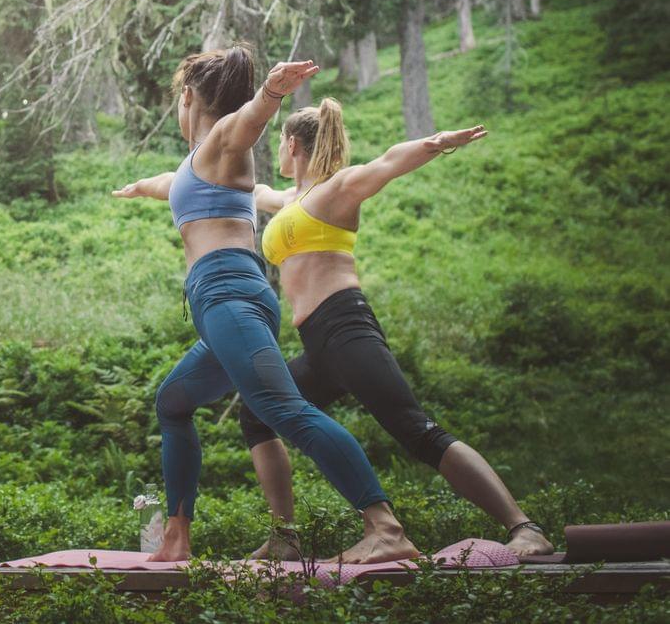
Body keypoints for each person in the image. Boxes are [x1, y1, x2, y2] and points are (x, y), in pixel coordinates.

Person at [113, 47, 418, 564]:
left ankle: (384, 526)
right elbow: (169, 184)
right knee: (174, 403)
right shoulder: (199, 165)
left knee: (284, 411)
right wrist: (139, 187)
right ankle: (176, 536)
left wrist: (272, 92)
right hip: (225, 302)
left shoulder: (224, 140)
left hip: (229, 294)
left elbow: (249, 122)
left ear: (187, 97)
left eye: (179, 100)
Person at [240, 98, 554, 559]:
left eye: (281, 147)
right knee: (257, 413)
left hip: (346, 328)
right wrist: (179, 182)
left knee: (417, 431)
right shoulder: (290, 200)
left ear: (291, 145)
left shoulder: (337, 188)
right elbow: (249, 190)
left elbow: (389, 162)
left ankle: (525, 528)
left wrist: (438, 142)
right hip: (320, 346)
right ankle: (284, 538)